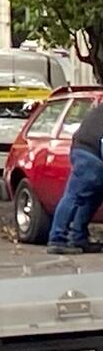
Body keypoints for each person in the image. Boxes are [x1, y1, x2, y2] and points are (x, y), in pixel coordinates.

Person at [47, 104, 103, 254]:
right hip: (92, 155)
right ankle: (57, 239)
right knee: (75, 196)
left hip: (82, 150)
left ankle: (79, 238)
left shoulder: (98, 109)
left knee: (89, 196)